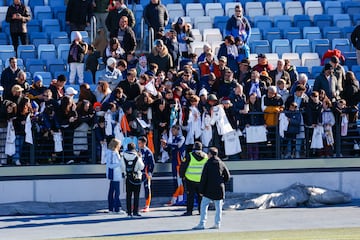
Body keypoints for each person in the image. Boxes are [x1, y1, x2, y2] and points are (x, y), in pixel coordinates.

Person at [192, 147, 230, 230]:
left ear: (210, 154)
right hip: (219, 188)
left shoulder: (208, 164)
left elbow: (203, 178)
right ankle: (217, 223)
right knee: (218, 207)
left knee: (204, 206)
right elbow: (227, 176)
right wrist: (222, 181)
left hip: (208, 189)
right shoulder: (221, 163)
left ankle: (202, 223)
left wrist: (201, 190)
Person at [180, 141, 208, 216]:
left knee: (190, 196)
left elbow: (183, 166)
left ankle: (189, 211)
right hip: (201, 180)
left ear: (193, 148)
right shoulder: (206, 156)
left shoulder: (189, 155)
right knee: (200, 196)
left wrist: (182, 175)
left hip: (190, 179)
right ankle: (201, 211)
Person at [121, 142, 144, 218]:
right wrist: (140, 158)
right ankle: (135, 212)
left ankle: (129, 213)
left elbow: (122, 167)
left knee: (128, 195)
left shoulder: (123, 156)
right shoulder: (137, 156)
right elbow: (141, 167)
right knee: (136, 195)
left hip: (128, 177)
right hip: (136, 177)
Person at [106, 138, 126, 214]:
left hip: (115, 174)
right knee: (116, 192)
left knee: (112, 191)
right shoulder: (112, 153)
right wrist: (120, 162)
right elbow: (110, 165)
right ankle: (116, 208)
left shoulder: (113, 152)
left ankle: (112, 208)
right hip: (114, 175)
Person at [137, 136, 155, 212]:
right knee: (136, 189)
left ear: (144, 143)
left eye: (140, 143)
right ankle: (136, 205)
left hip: (146, 173)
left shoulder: (148, 151)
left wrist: (150, 172)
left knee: (147, 188)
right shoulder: (137, 151)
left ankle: (147, 205)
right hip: (138, 173)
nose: (138, 144)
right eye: (138, 143)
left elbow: (152, 163)